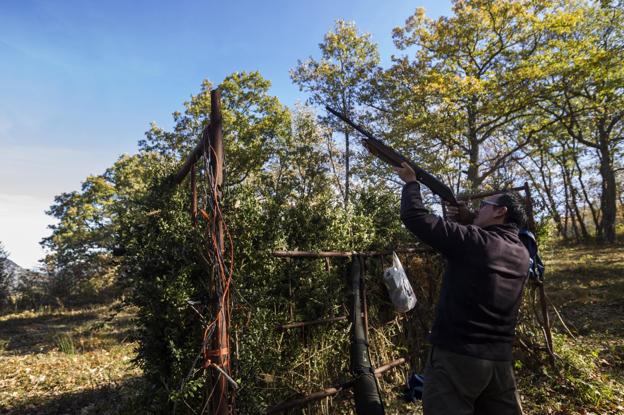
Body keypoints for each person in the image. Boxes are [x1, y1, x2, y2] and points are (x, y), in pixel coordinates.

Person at [395, 162, 530, 415]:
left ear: (500, 211)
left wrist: (411, 184)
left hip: (456, 357)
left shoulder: (476, 242)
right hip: (499, 362)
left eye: (483, 206)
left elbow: (415, 217)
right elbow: (490, 238)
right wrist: (469, 217)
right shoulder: (521, 252)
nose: (478, 210)